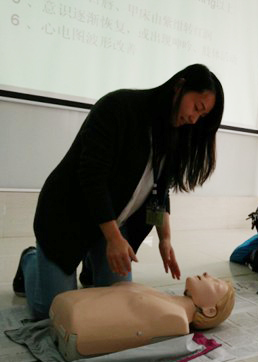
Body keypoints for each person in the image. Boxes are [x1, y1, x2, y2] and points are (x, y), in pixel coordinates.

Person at [12, 64, 225, 319]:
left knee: (119, 305)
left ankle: (93, 263)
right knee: (50, 313)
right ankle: (31, 260)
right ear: (179, 87)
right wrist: (114, 239)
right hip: (67, 217)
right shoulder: (119, 107)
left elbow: (159, 191)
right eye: (196, 108)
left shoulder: (173, 133)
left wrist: (165, 237)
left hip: (111, 222)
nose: (194, 118)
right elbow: (92, 176)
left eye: (201, 117)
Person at [49, 273, 235, 361]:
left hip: (72, 321)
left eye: (215, 283)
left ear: (210, 310)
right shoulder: (165, 298)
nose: (206, 274)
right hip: (70, 310)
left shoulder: (175, 319)